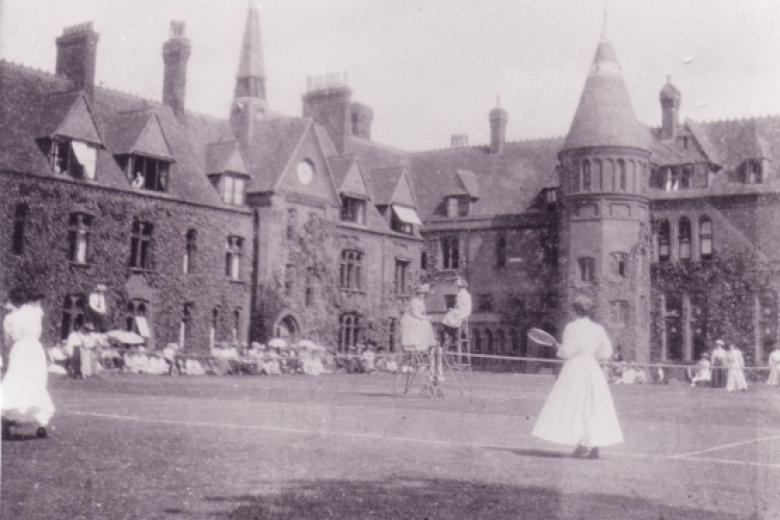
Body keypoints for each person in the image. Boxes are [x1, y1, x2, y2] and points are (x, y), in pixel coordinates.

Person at [532, 295, 623, 459]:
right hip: (592, 369)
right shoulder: (598, 329)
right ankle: (592, 445)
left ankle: (583, 445)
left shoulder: (572, 327)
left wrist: (557, 347)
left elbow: (566, 352)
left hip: (575, 369)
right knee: (593, 406)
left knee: (575, 406)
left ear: (575, 310)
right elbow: (606, 352)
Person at [1, 288, 55, 439]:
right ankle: (41, 423)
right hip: (36, 350)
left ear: (13, 301)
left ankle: (7, 421)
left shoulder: (10, 318)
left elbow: (8, 340)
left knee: (14, 381)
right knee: (36, 384)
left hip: (19, 349)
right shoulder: (35, 313)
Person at [400, 283, 436, 352]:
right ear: (417, 294)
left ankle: (425, 345)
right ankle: (417, 345)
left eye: (423, 294)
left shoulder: (421, 302)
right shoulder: (414, 302)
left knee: (426, 324)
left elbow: (422, 312)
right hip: (410, 318)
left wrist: (425, 317)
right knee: (420, 324)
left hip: (417, 317)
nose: (422, 295)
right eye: (420, 294)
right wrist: (424, 318)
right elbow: (415, 313)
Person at [441, 278, 472, 349]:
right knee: (452, 313)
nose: (458, 288)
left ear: (460, 287)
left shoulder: (461, 294)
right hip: (466, 311)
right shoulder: (467, 294)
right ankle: (451, 332)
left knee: (449, 315)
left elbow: (458, 306)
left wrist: (452, 309)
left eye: (459, 286)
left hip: (463, 311)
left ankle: (449, 332)